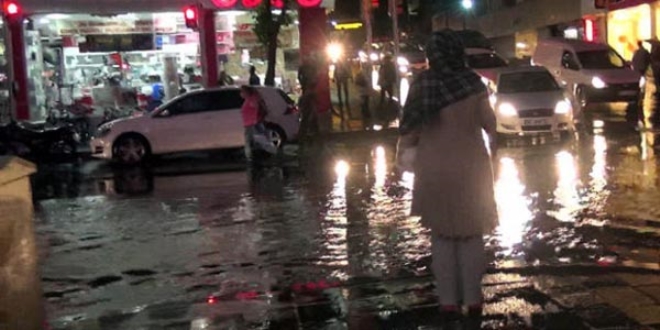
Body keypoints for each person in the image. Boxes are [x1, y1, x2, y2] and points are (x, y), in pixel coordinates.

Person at [397, 30, 498, 328]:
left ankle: (448, 302)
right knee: (471, 235)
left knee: (441, 236)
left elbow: (409, 130)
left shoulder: (423, 84)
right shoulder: (473, 83)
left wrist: (400, 160)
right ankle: (473, 299)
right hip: (472, 168)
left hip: (434, 169)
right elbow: (490, 125)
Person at [240, 85, 266, 163]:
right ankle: (253, 157)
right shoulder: (248, 99)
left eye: (242, 91)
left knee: (251, 142)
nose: (241, 94)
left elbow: (256, 107)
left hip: (252, 124)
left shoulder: (251, 99)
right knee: (252, 141)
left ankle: (251, 158)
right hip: (249, 124)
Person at [355, 64, 371, 130]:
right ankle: (366, 113)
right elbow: (367, 82)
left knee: (363, 102)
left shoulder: (359, 74)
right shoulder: (364, 74)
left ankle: (364, 113)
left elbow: (356, 82)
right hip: (364, 90)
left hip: (362, 90)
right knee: (365, 102)